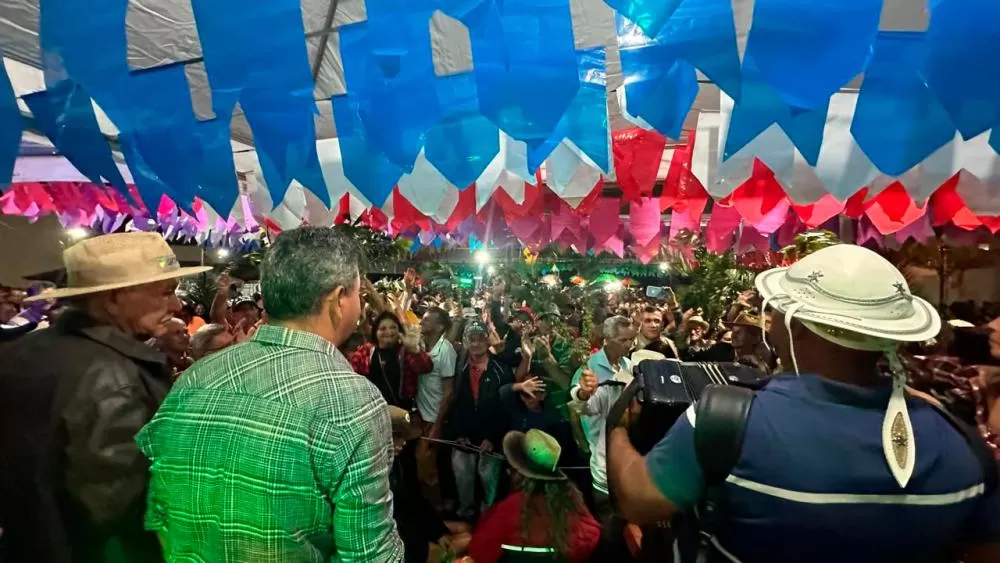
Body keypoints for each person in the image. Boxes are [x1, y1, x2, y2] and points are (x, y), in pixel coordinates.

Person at [607, 245, 1000, 563]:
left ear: (794, 324)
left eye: (775, 308)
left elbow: (640, 501)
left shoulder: (729, 420)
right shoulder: (961, 443)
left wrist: (618, 429)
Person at [136, 226, 403, 561]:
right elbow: (369, 554)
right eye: (358, 295)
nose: (361, 308)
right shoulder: (350, 399)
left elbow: (158, 506)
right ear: (338, 300)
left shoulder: (198, 376)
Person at [0, 232, 210, 562]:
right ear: (113, 299)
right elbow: (116, 511)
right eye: (165, 292)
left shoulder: (22, 352)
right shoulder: (114, 378)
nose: (176, 304)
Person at [466, 429, 601, 563]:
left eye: (511, 468)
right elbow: (592, 536)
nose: (508, 471)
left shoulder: (511, 507)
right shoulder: (570, 501)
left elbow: (478, 551)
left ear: (519, 473)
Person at [443, 321, 526, 521]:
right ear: (465, 341)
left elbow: (506, 409)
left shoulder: (501, 370)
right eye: (471, 339)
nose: (475, 343)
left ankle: (489, 518)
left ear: (488, 340)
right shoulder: (459, 367)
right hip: (464, 437)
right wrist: (459, 434)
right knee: (463, 479)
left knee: (489, 481)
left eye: (480, 338)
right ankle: (466, 514)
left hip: (492, 440)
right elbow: (455, 403)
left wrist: (493, 438)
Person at [415, 306, 459, 508]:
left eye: (427, 320)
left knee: (428, 471)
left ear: (440, 326)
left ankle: (437, 511)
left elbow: (449, 391)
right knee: (421, 469)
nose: (422, 322)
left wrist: (437, 425)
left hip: (433, 418)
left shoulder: (445, 351)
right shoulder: (420, 346)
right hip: (419, 417)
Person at [349, 310, 433, 410]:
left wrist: (414, 349)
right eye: (383, 329)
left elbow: (426, 368)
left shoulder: (406, 351)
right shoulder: (367, 351)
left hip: (402, 410)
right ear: (375, 332)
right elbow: (352, 373)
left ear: (399, 331)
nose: (388, 332)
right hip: (374, 409)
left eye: (393, 327)